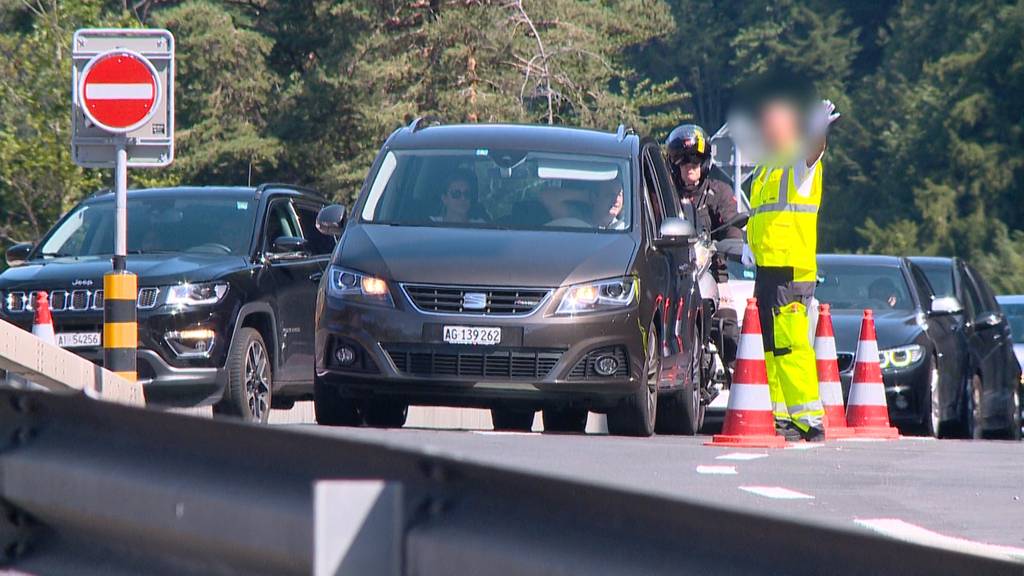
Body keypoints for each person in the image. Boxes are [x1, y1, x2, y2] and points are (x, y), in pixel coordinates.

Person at [742, 97, 840, 442]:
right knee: (770, 347)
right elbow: (760, 215)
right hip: (768, 268)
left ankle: (808, 420)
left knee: (791, 345)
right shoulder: (766, 167)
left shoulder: (797, 158)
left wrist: (817, 132)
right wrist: (748, 245)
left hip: (791, 268)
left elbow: (814, 153)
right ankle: (780, 415)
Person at [665, 124, 743, 365]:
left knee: (729, 328)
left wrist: (730, 243)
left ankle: (741, 382)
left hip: (711, 273)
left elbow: (732, 225)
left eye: (696, 161)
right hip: (670, 274)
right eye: (684, 160)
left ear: (705, 163)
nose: (691, 167)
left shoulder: (718, 191)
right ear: (674, 163)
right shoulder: (663, 194)